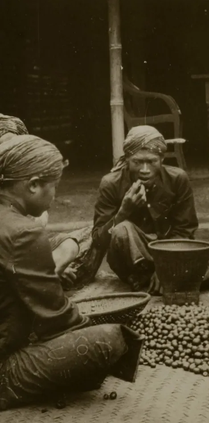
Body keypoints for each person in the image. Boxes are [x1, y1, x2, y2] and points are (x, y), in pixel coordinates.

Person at [0, 135, 142, 411]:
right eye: (55, 186)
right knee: (110, 340)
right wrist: (92, 326)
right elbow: (56, 318)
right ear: (32, 185)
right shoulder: (23, 232)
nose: (56, 195)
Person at [93, 125, 209, 292]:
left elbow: (185, 231)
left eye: (151, 161)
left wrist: (164, 266)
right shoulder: (111, 184)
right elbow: (99, 241)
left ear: (162, 160)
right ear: (127, 160)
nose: (145, 170)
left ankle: (160, 280)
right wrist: (124, 211)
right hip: (133, 261)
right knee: (122, 230)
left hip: (172, 252)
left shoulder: (177, 179)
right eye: (137, 162)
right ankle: (177, 281)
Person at [0, 113, 102, 288]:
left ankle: (43, 279)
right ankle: (41, 283)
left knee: (75, 242)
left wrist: (46, 264)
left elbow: (32, 238)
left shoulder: (26, 188)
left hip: (21, 253)